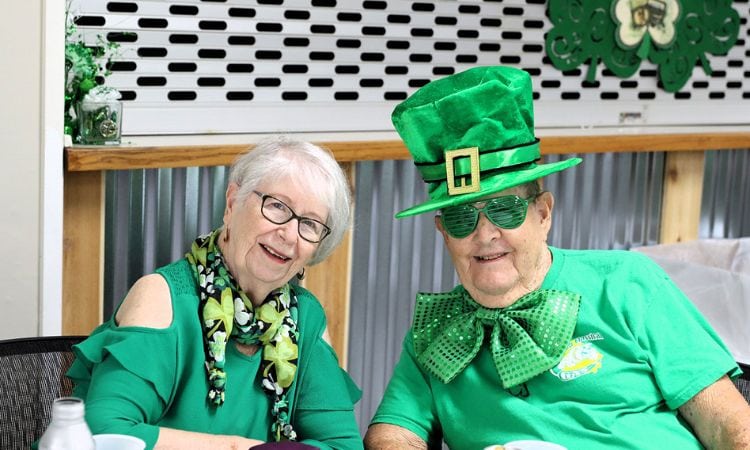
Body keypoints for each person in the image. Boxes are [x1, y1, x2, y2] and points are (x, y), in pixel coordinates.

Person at [364, 66, 750, 449]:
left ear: (543, 213)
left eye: (505, 210)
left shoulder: (627, 283)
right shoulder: (435, 332)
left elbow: (729, 423)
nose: (484, 235)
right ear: (444, 233)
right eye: (461, 218)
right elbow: (392, 433)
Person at [67, 136, 364, 450]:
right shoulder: (162, 297)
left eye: (310, 224)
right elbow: (105, 432)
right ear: (233, 202)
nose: (289, 234)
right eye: (277, 206)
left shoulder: (305, 319)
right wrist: (239, 449)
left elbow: (343, 445)